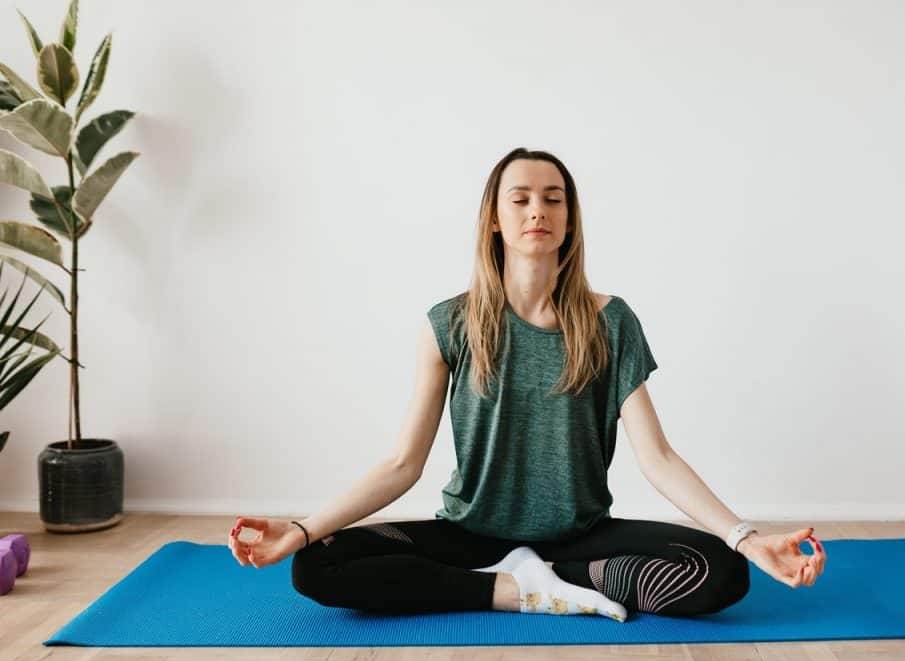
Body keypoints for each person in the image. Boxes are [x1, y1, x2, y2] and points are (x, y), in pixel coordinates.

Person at [227, 147, 826, 621]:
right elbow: (402, 464)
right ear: (496, 218)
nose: (537, 210)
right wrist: (303, 527)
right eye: (520, 199)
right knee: (317, 564)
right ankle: (519, 590)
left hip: (582, 537)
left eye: (553, 199)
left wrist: (746, 538)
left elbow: (659, 458)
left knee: (721, 572)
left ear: (569, 219)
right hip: (469, 535)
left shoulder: (609, 322)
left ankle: (556, 580)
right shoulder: (450, 323)